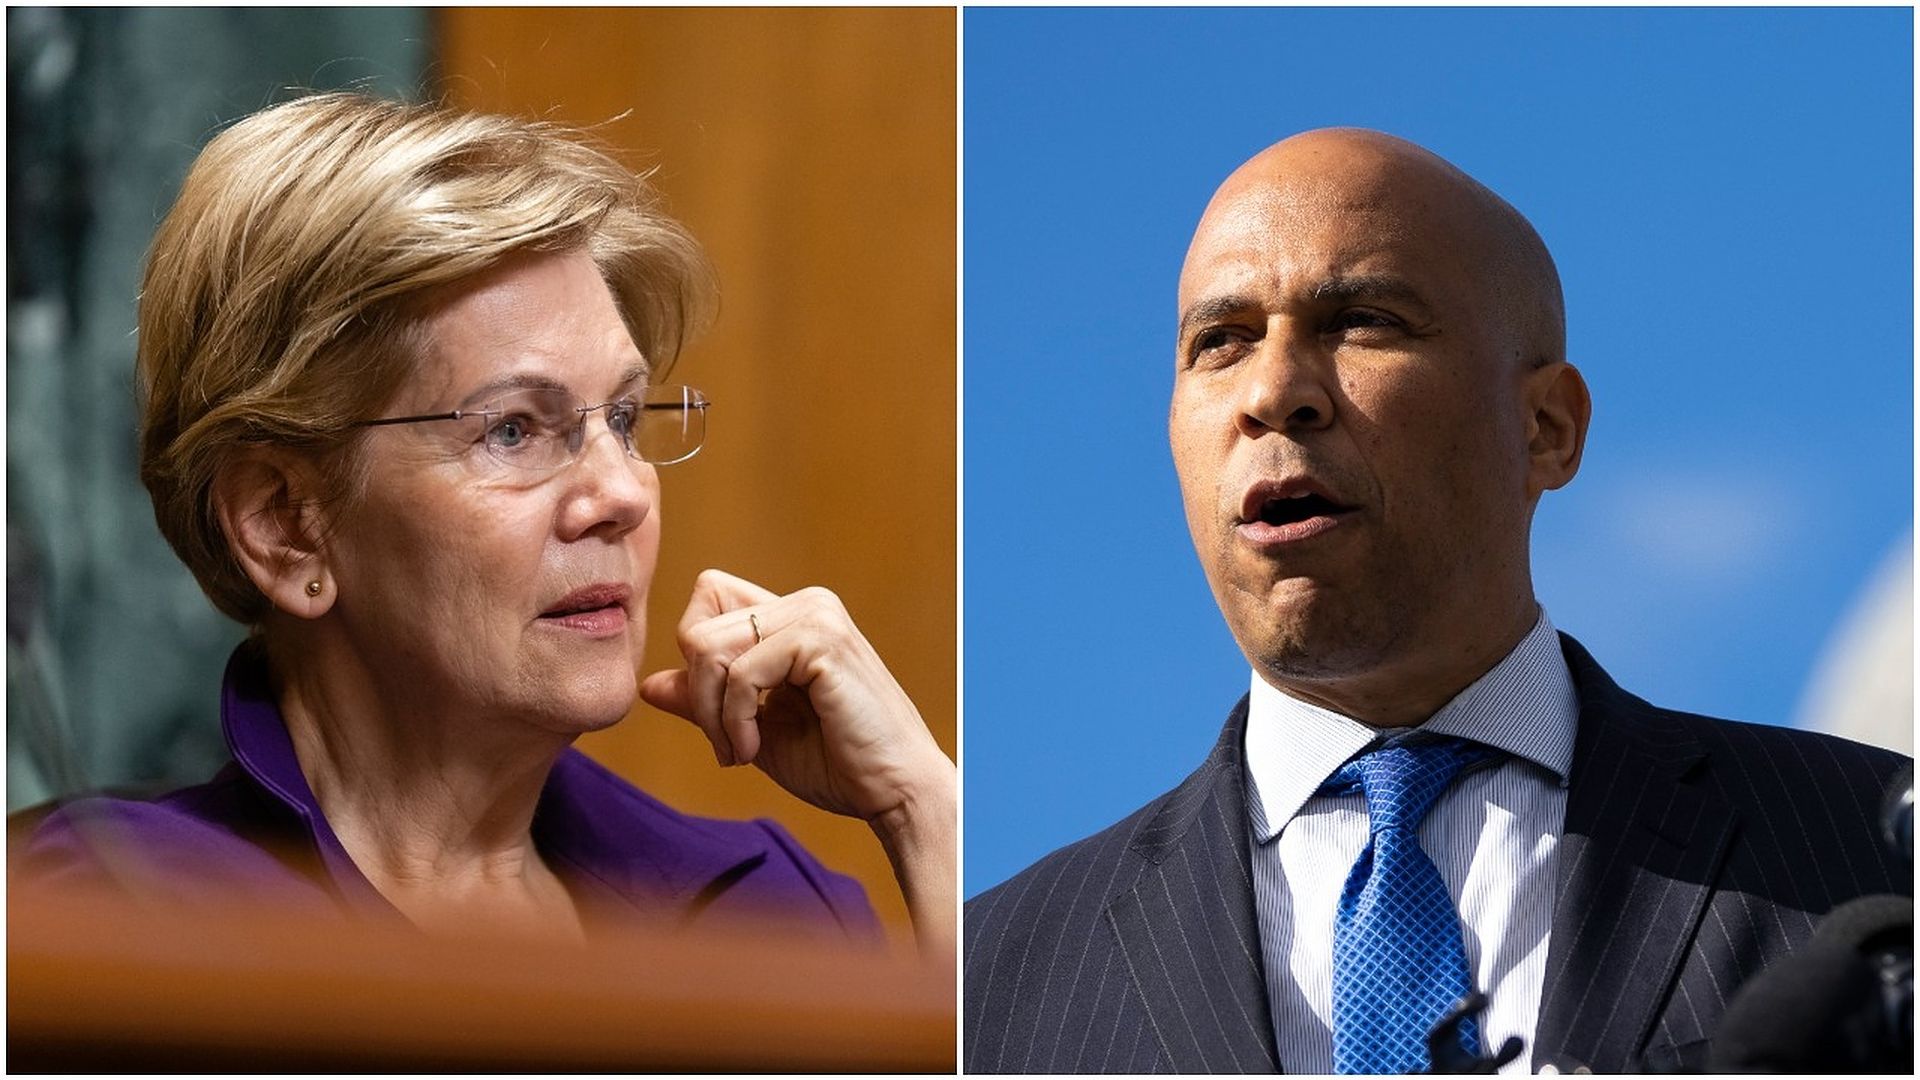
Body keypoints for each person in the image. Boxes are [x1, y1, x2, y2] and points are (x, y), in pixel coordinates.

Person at [963, 128, 1909, 1073]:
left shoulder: (1872, 864)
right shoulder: (987, 987)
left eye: (1361, 322)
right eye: (1221, 342)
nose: (1274, 391)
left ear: (1545, 428)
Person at [15, 93, 956, 958]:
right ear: (283, 524)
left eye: (623, 420)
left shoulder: (769, 919)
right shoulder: (109, 921)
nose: (619, 495)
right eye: (514, 429)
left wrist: (926, 813)